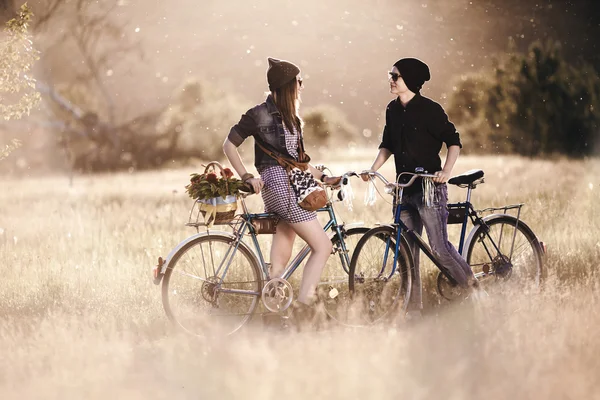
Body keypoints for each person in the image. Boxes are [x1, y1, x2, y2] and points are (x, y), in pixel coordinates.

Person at [361, 57, 480, 318]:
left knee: (439, 248)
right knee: (407, 252)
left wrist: (445, 172)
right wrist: (373, 169)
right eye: (390, 75)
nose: (391, 80)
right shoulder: (392, 110)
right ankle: (413, 310)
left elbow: (454, 141)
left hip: (429, 188)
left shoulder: (430, 110)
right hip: (404, 189)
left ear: (411, 81)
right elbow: (387, 145)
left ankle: (473, 292)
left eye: (396, 76)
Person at [223, 57, 340, 321]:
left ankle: (274, 306)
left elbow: (298, 162)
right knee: (323, 247)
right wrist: (246, 176)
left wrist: (324, 177)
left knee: (286, 236)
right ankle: (304, 309)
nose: (302, 86)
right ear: (289, 85)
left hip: (287, 186)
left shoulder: (293, 119)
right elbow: (228, 145)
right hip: (280, 187)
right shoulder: (257, 114)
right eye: (299, 81)